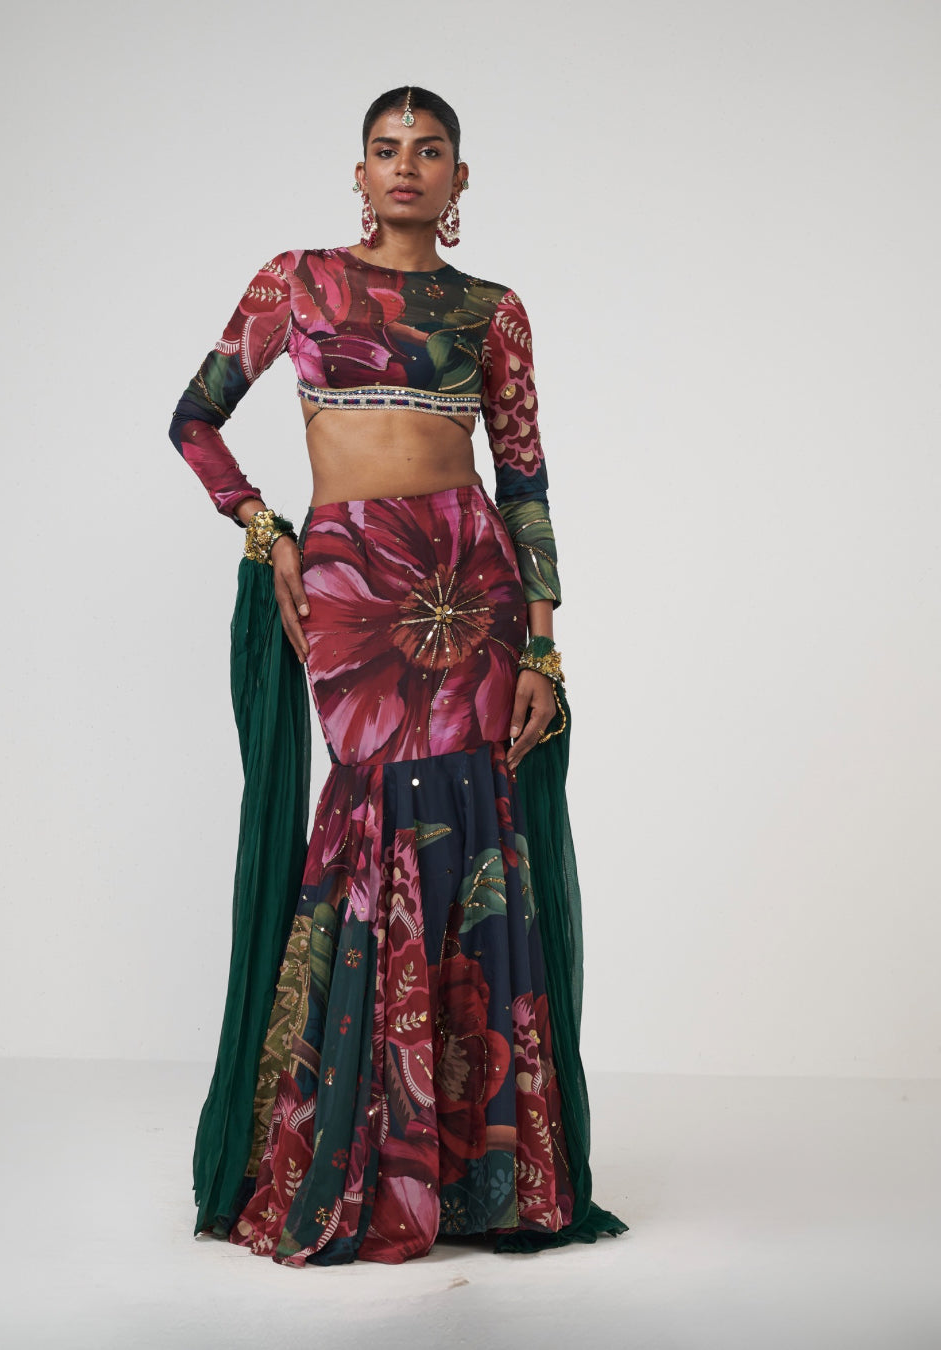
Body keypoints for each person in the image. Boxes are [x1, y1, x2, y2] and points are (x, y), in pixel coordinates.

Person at [167, 86, 629, 1267]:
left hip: (470, 579)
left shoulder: (491, 311)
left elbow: (524, 480)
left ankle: (484, 1176)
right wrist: (263, 529)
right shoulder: (299, 283)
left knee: (473, 837)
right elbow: (194, 420)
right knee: (372, 822)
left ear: (460, 179)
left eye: (430, 151)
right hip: (350, 575)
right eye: (386, 150)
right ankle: (358, 1156)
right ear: (360, 172)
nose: (407, 166)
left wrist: (544, 644)